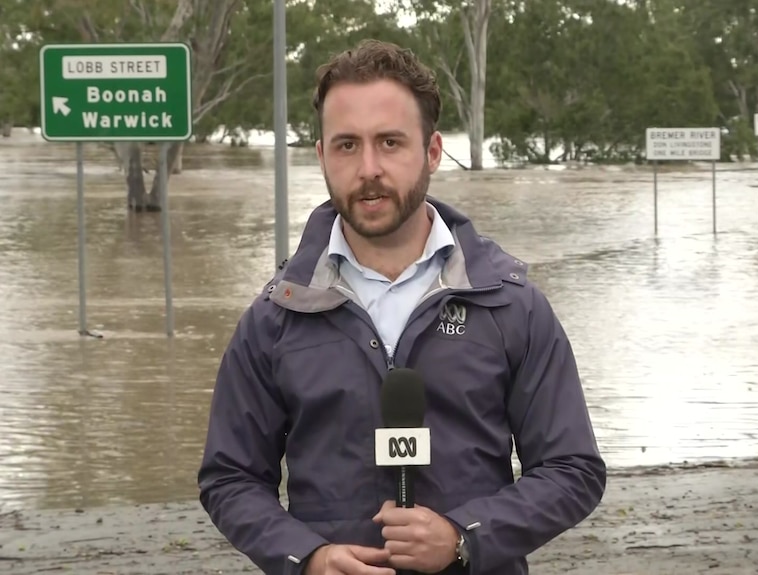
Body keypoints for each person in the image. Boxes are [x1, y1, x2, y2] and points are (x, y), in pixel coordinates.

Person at [197, 39, 606, 575]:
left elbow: (572, 470)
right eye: (346, 145)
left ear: (432, 152)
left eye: (390, 142)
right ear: (321, 156)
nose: (368, 168)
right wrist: (307, 558)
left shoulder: (511, 306)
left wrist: (465, 536)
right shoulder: (276, 317)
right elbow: (229, 478)